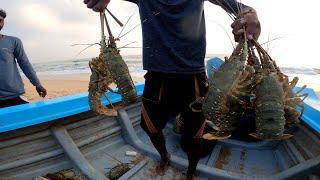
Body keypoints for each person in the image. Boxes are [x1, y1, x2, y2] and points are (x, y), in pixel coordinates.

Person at [84, 0, 261, 179]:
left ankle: (191, 171)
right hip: (157, 76)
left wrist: (251, 16)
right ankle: (164, 156)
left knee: (195, 135)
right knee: (150, 128)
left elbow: (242, 8)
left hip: (193, 77)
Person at [0, 9, 47, 108]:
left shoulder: (14, 41)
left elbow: (24, 64)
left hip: (15, 94)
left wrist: (37, 84)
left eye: (0, 20)